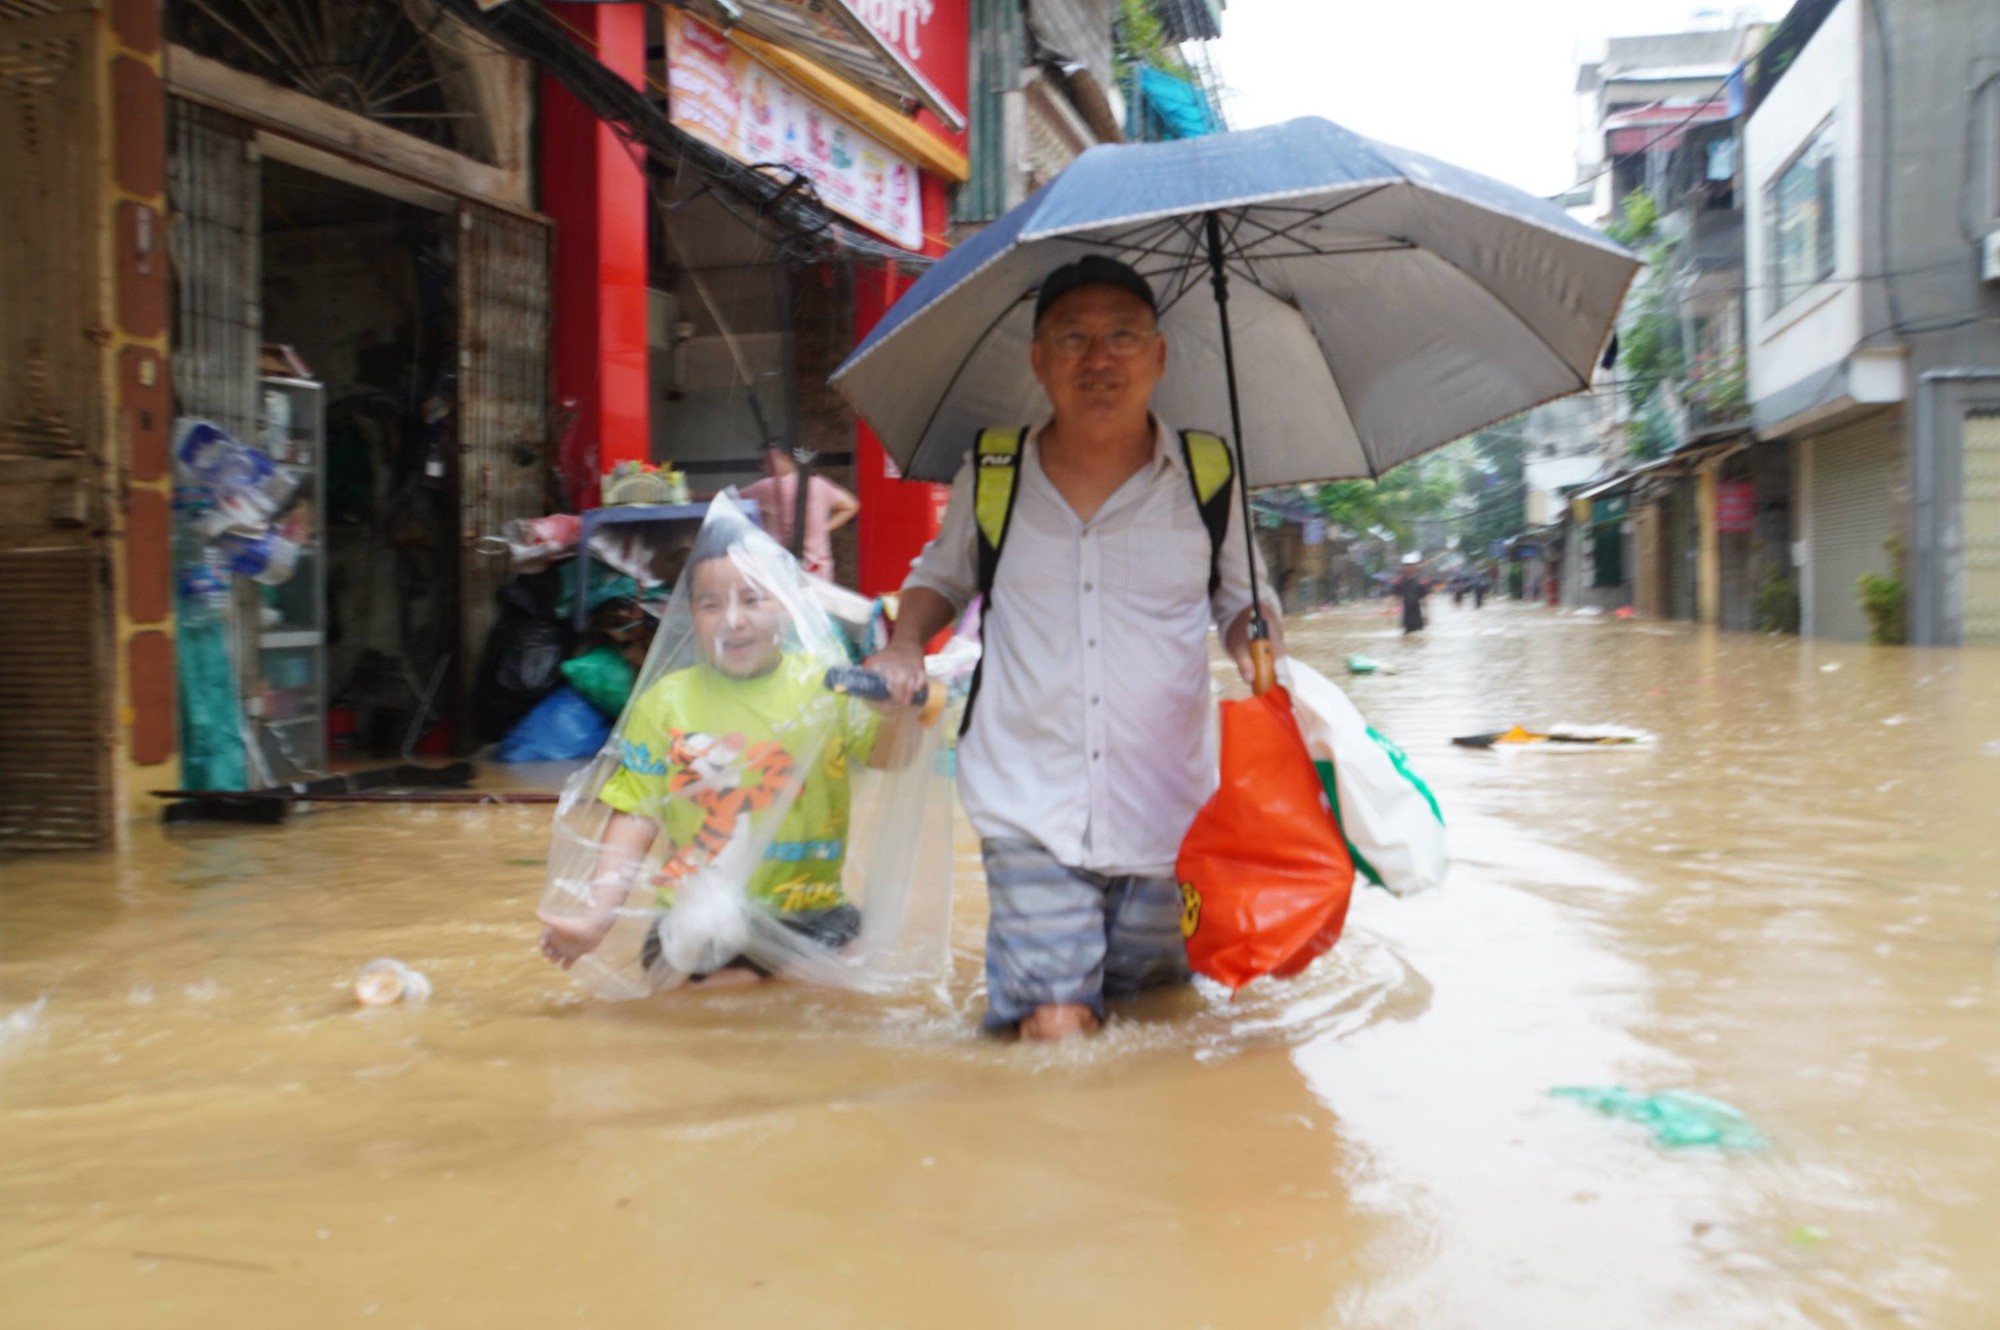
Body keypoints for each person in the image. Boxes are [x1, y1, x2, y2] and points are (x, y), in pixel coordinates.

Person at [864, 254, 1282, 1042]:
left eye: (1123, 337)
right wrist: (907, 644)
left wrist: (1258, 646)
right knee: (1056, 1027)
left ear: (1158, 357)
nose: (1099, 359)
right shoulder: (994, 472)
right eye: (1074, 338)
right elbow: (939, 579)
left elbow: (1243, 603)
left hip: (1172, 808)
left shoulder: (1208, 475)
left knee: (1159, 1021)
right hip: (1027, 797)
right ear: (1038, 360)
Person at [537, 518, 919, 986]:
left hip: (813, 913)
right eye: (710, 604)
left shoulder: (827, 683)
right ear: (689, 615)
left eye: (753, 599)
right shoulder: (665, 702)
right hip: (696, 918)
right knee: (725, 999)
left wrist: (894, 716)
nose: (732, 620)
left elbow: (890, 758)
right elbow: (637, 817)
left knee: (838, 989)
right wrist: (597, 916)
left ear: (785, 605)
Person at [740, 443, 859, 582]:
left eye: (768, 461)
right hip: (818, 567)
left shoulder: (770, 486)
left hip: (782, 566)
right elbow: (851, 505)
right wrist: (824, 527)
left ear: (786, 458)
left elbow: (728, 497)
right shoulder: (820, 483)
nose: (765, 467)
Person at [1394, 554, 1429, 634]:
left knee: (1418, 634)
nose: (1409, 567)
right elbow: (1395, 597)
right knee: (1406, 635)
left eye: (1411, 565)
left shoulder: (1420, 581)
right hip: (1406, 613)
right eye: (1407, 565)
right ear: (1403, 567)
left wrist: (1426, 615)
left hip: (1417, 612)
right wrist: (1393, 614)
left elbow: (1425, 598)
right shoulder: (1400, 581)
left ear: (1415, 567)